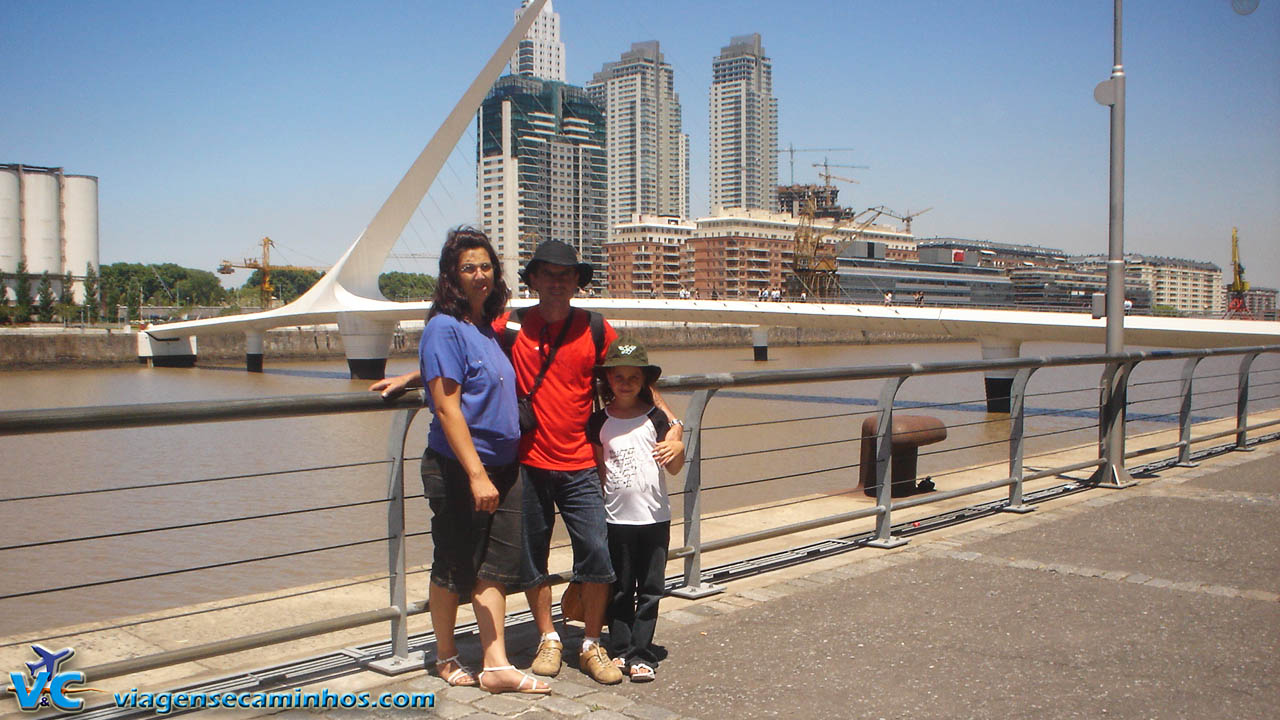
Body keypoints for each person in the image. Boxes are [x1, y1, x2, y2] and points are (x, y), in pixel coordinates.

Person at [369, 228, 549, 695]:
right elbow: (447, 407)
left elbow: (463, 376)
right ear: (452, 274)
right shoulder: (443, 327)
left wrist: (418, 372)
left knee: (496, 568)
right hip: (460, 469)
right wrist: (475, 475)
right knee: (454, 564)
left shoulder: (486, 329)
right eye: (468, 267)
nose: (479, 275)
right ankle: (445, 655)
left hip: (504, 467)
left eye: (485, 266)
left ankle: (496, 664)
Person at [498, 240, 683, 686]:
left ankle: (590, 643)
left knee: (598, 556)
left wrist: (673, 425)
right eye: (548, 274)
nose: (557, 283)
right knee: (533, 558)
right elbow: (468, 356)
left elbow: (633, 376)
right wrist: (416, 375)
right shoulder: (510, 327)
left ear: (577, 283)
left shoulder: (597, 329)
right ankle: (547, 638)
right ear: (534, 280)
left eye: (566, 276)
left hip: (582, 463)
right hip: (530, 462)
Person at [588, 339, 685, 683]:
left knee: (651, 589)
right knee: (619, 588)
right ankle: (620, 648)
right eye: (618, 376)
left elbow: (674, 468)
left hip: (654, 518)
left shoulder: (656, 418)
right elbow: (600, 469)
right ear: (608, 380)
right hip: (615, 519)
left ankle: (642, 654)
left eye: (633, 377)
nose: (626, 383)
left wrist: (677, 445)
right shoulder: (598, 421)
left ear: (644, 382)